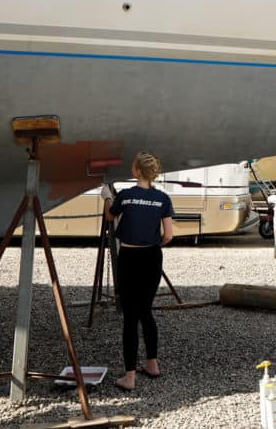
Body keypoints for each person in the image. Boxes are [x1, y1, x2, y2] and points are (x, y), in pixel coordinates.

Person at [100, 151, 174, 391]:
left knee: (130, 317)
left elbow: (109, 217)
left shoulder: (125, 196)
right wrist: (154, 245)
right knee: (146, 311)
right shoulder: (163, 198)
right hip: (152, 256)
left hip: (130, 257)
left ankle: (129, 377)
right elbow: (169, 235)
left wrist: (107, 200)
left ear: (135, 171)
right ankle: (152, 364)